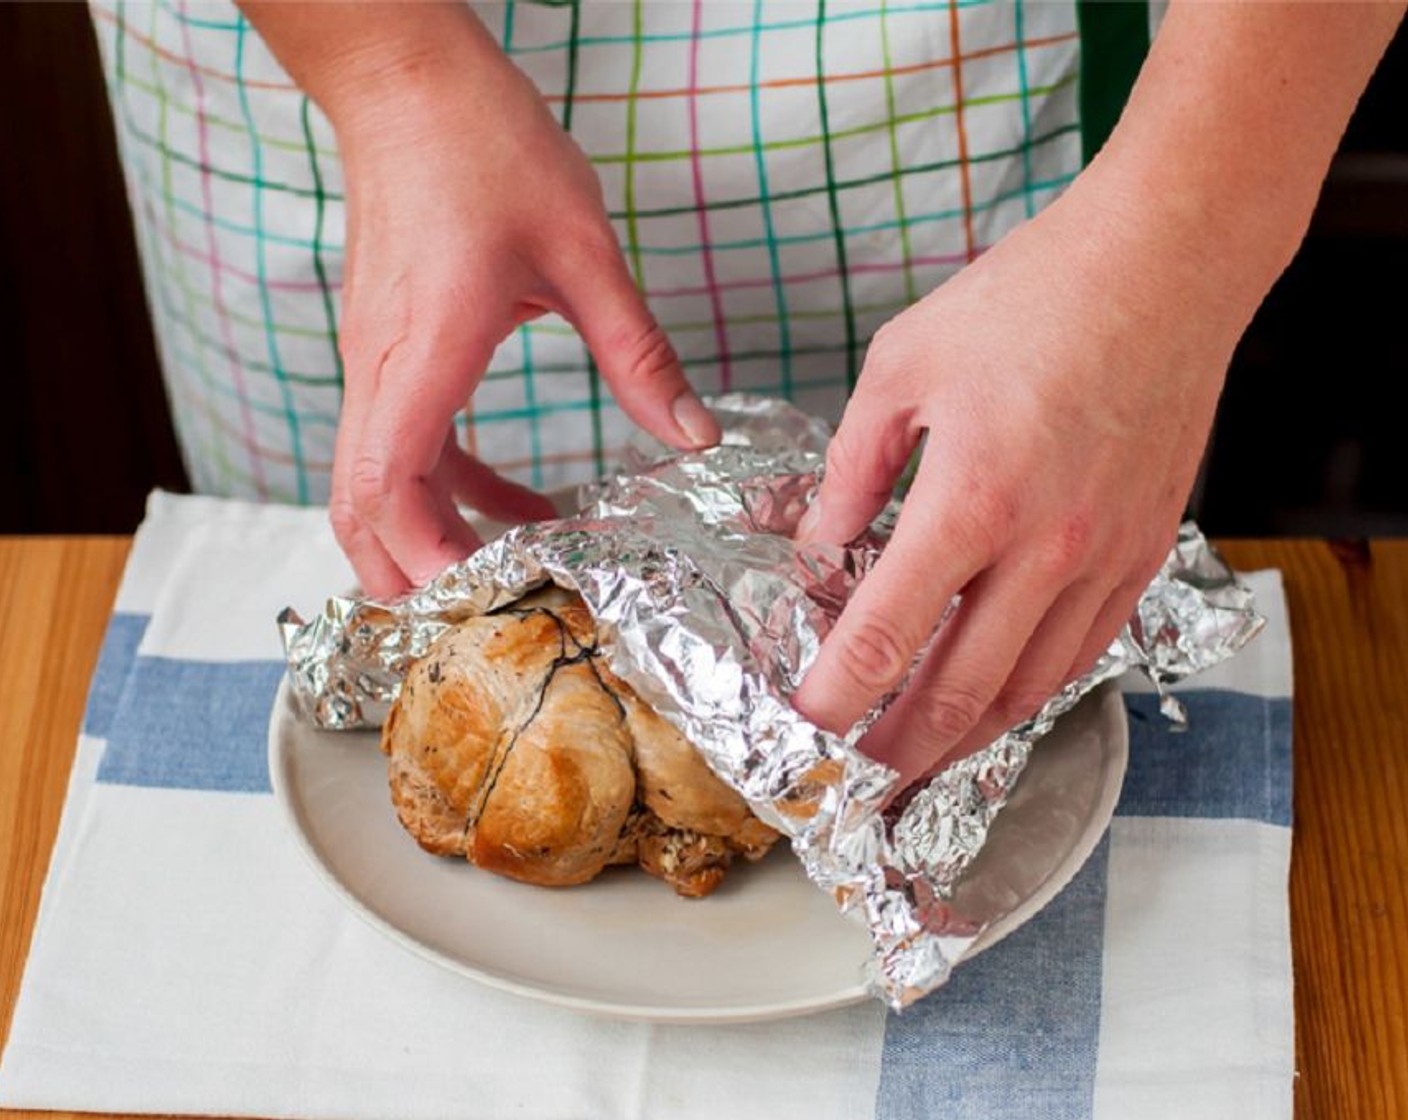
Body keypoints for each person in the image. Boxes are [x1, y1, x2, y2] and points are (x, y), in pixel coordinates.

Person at [91, 1, 1403, 786]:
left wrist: (1176, 246)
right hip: (325, 110)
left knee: (1019, 636)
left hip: (999, 136)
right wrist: (384, 68)